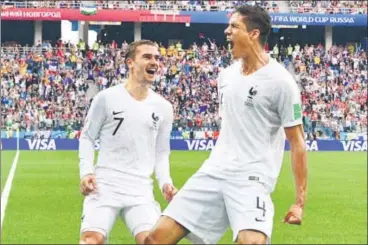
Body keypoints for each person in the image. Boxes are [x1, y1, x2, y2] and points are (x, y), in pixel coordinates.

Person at [144, 5, 308, 245]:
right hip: (214, 171)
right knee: (154, 239)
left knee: (251, 242)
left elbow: (297, 143)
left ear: (253, 33)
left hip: (251, 178)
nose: (226, 31)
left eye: (234, 26)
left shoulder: (281, 82)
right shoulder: (226, 76)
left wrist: (299, 201)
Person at [78, 40, 178, 245]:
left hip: (140, 189)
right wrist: (86, 171)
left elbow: (161, 152)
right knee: (91, 241)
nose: (155, 62)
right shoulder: (106, 98)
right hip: (104, 185)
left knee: (152, 241)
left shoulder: (164, 107)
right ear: (130, 62)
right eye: (147, 57)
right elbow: (88, 137)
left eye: (157, 58)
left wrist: (165, 182)